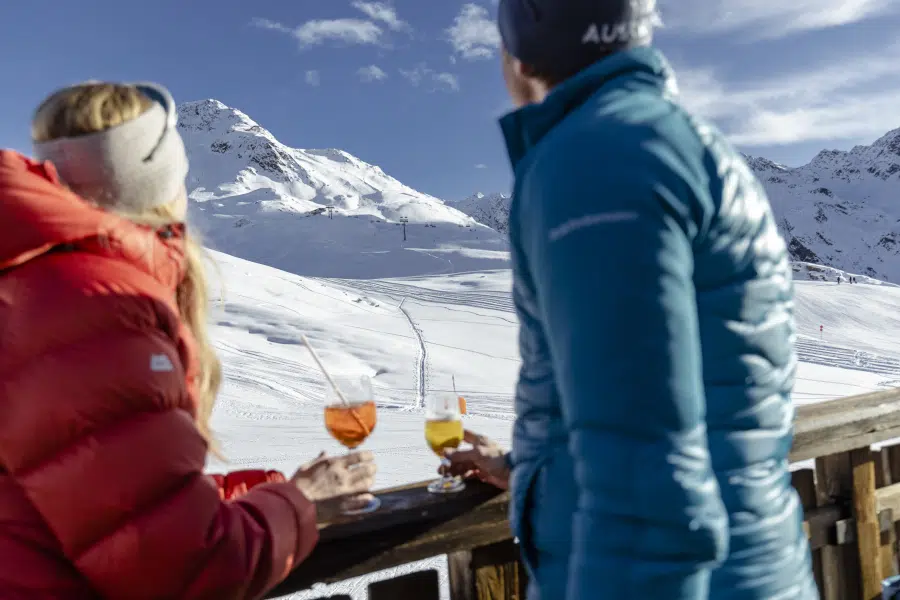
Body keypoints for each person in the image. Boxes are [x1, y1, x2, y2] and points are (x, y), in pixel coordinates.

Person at [443, 1, 816, 599]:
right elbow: (685, 407)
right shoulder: (668, 139)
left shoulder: (596, 158)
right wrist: (527, 475)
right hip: (743, 570)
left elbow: (649, 487)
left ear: (522, 45)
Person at [0, 82, 377, 599]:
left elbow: (95, 499)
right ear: (161, 182)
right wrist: (303, 503)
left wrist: (264, 490)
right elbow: (184, 569)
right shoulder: (98, 306)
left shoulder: (34, 281)